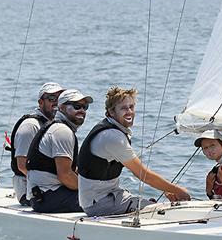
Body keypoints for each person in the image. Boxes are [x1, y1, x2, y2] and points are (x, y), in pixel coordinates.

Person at [77, 86, 190, 216]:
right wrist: (179, 191)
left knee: (154, 206)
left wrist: (167, 189)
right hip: (101, 203)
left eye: (131, 107)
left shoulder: (112, 130)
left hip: (104, 197)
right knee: (164, 213)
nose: (129, 111)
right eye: (123, 108)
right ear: (111, 112)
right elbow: (143, 174)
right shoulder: (113, 137)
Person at [25, 89, 93, 213]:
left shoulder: (57, 127)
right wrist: (90, 190)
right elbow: (65, 175)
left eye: (85, 107)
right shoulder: (62, 131)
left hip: (43, 197)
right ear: (61, 108)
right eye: (77, 106)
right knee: (101, 201)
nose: (82, 110)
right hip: (50, 198)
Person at [8, 82, 63, 205]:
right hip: (31, 192)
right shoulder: (30, 126)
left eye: (60, 98)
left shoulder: (54, 125)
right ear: (40, 102)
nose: (56, 103)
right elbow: (22, 165)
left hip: (49, 186)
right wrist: (53, 181)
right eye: (52, 98)